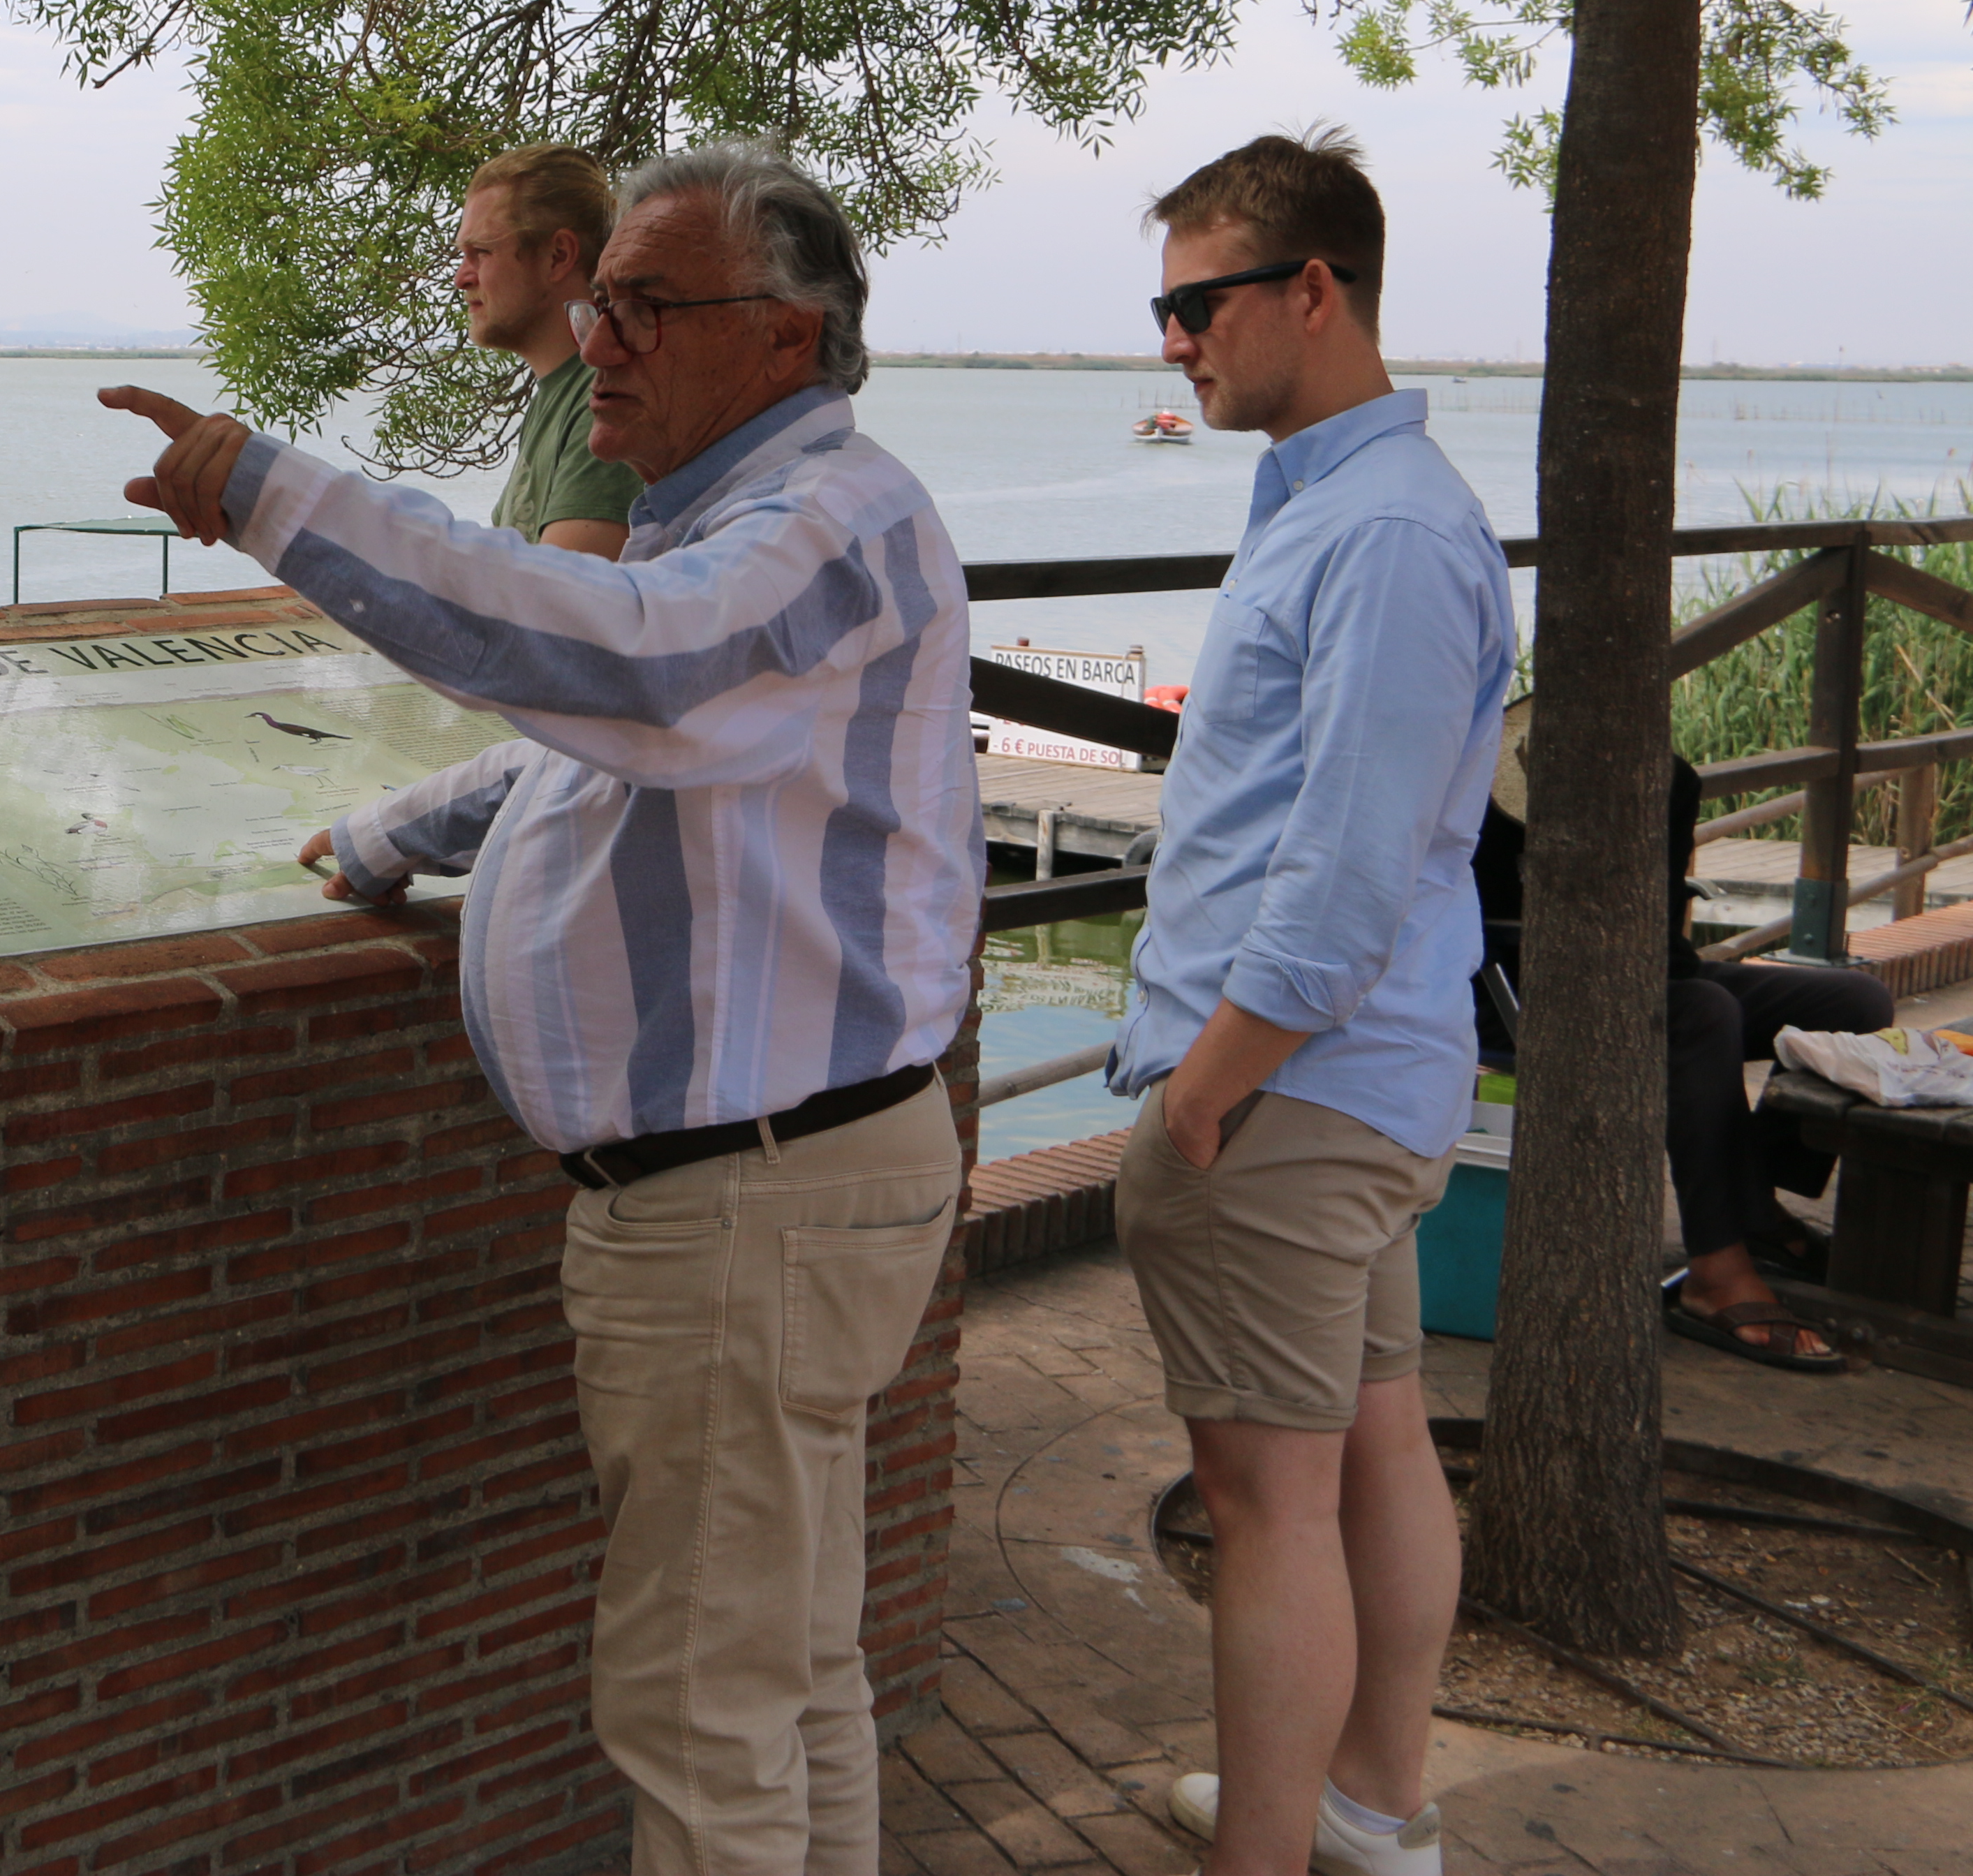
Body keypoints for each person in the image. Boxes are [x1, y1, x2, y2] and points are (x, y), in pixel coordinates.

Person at [105, 139, 980, 1876]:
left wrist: (270, 489)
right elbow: (602, 747)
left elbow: (626, 665)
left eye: (650, 305)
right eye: (602, 301)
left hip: (741, 1203)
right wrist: (386, 831)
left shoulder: (816, 524)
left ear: (785, 342)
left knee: (695, 1712)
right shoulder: (751, 525)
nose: (603, 339)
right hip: (773, 1187)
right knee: (789, 1672)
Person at [1109, 133, 1509, 1876]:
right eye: (1164, 307)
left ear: (1309, 292)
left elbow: (1339, 875)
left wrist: (1201, 1093)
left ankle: (1275, 1849)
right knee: (1365, 1453)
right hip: (1346, 1088)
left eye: (1195, 304)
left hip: (1289, 1098)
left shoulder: (1384, 536)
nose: (1174, 341)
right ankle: (1366, 1808)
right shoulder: (1347, 510)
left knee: (1264, 1509)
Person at [1474, 737, 1883, 1373]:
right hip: (1517, 994)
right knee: (1700, 1015)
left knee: (1855, 1004)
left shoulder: (1661, 776)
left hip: (1643, 973)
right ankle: (1715, 1270)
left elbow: (1659, 943)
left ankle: (1752, 1213)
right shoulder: (1469, 773)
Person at [459, 143, 646, 556]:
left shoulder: (607, 399)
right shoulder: (561, 391)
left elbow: (560, 603)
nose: (461, 277)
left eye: (482, 253)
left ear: (558, 256)